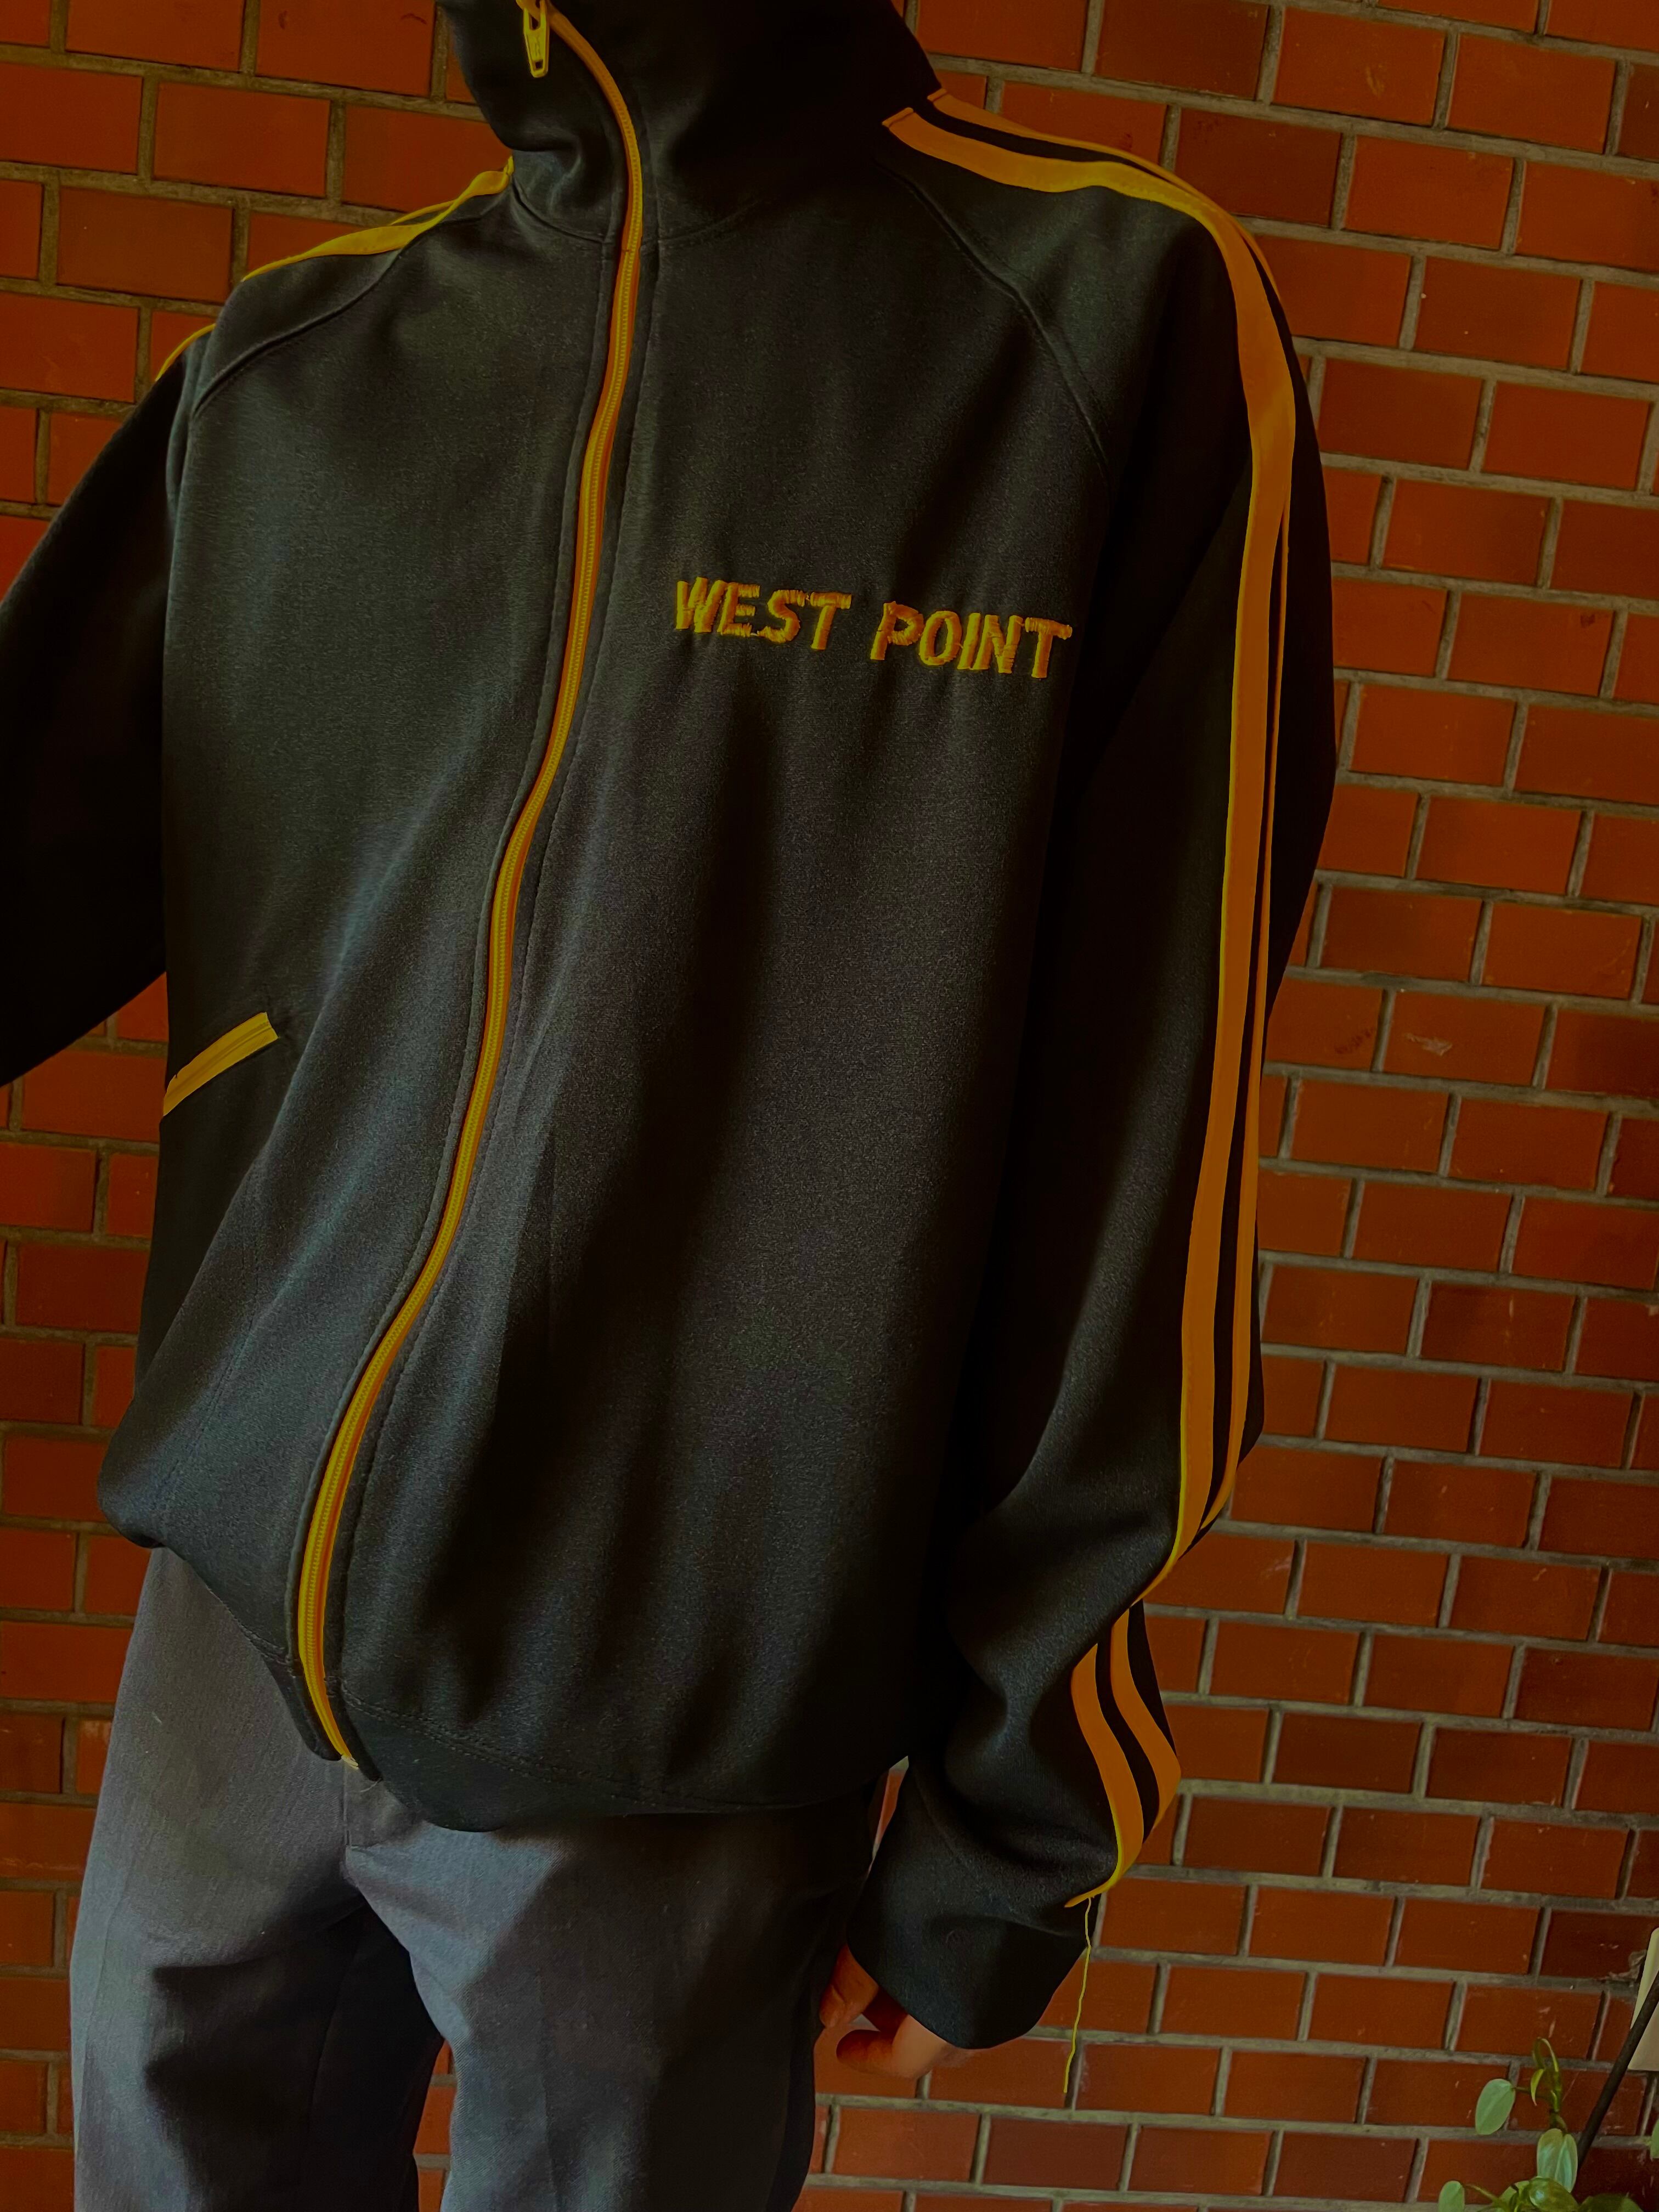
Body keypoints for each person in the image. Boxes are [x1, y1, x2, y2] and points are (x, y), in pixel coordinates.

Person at [0, 0, 1335, 2203]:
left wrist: (1021, 1808)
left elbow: (1147, 1150)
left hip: (675, 1720)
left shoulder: (1095, 326)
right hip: (225, 1669)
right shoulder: (297, 369)